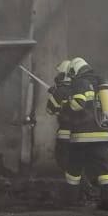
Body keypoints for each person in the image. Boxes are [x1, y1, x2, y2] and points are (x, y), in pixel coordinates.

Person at [55, 57, 108, 211]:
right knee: (105, 171)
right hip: (102, 135)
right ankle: (107, 201)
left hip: (82, 136)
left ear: (75, 70)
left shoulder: (81, 82)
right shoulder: (100, 83)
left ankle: (71, 200)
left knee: (73, 169)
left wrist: (66, 104)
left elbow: (77, 104)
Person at [43, 59, 76, 193]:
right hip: (79, 134)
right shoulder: (78, 88)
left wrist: (54, 94)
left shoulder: (59, 91)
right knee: (77, 162)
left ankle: (74, 190)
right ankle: (81, 189)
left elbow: (50, 110)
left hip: (64, 135)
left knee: (64, 161)